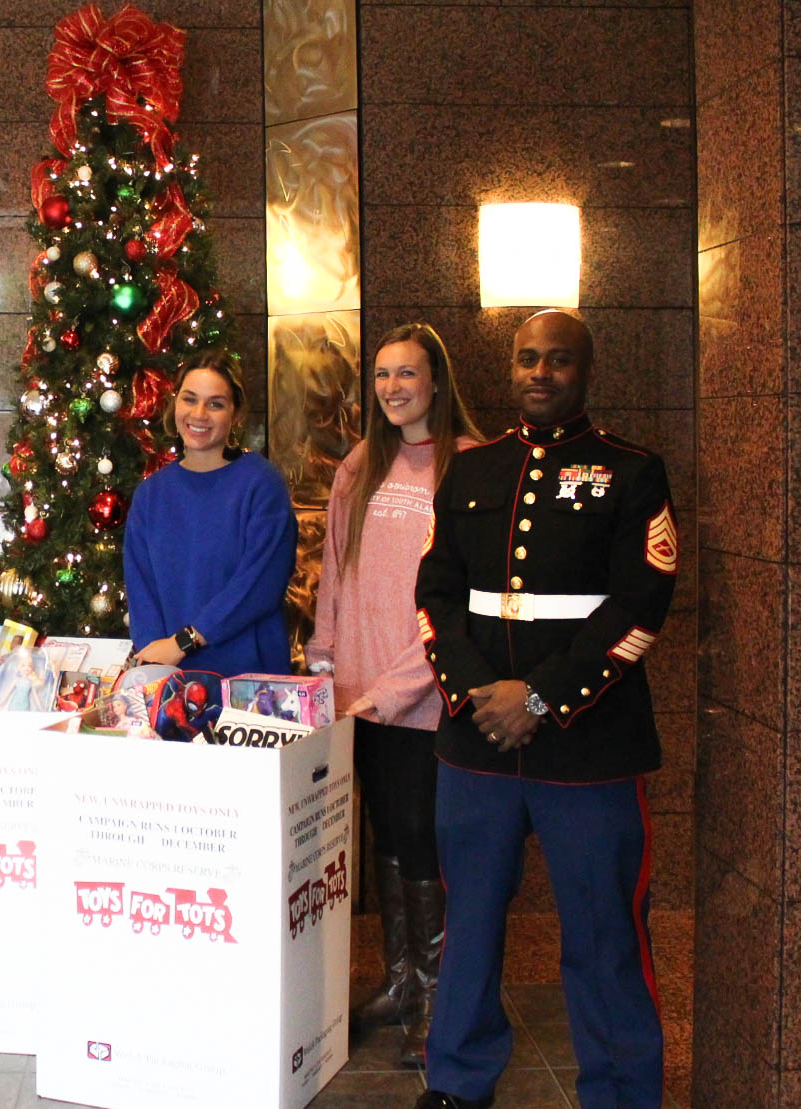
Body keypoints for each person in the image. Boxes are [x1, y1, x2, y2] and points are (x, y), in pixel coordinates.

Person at [412, 311, 676, 1109]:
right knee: (470, 932)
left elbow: (640, 607)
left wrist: (538, 696)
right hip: (477, 746)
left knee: (605, 935)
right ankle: (457, 1083)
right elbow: (435, 595)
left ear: (584, 371)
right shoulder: (472, 470)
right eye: (528, 358)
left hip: (588, 748)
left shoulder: (632, 472)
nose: (540, 372)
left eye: (558, 360)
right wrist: (473, 692)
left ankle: (623, 1092)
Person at [306, 322, 482, 1067]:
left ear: (436, 382)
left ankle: (441, 999)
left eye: (406, 374)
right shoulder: (360, 464)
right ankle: (400, 982)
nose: (392, 389)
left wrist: (396, 686)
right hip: (356, 696)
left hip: (422, 697)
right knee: (382, 835)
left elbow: (461, 600)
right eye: (381, 376)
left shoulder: (469, 466)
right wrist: (324, 660)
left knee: (423, 838)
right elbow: (336, 576)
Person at [123, 349, 297, 677]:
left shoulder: (261, 484)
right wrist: (155, 664)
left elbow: (259, 585)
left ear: (236, 414)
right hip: (172, 682)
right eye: (189, 400)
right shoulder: (151, 494)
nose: (199, 414)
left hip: (248, 684)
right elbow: (141, 589)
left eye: (215, 404)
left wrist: (184, 642)